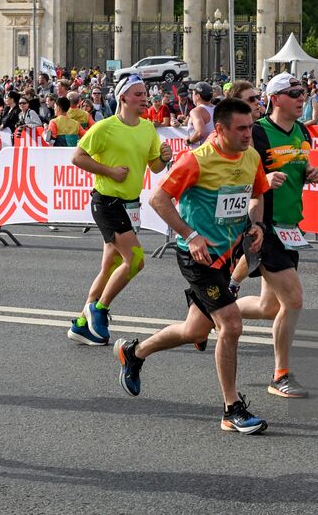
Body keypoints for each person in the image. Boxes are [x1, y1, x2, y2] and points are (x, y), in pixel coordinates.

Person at [114, 97, 271, 435]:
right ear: (221, 129)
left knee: (195, 331)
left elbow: (257, 193)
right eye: (241, 129)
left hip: (226, 256)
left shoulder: (251, 156)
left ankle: (134, 352)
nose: (248, 134)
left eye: (251, 127)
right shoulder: (197, 160)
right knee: (231, 325)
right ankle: (231, 409)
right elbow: (158, 198)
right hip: (197, 256)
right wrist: (191, 234)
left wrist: (255, 225)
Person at [231, 73, 318, 398]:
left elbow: (301, 166)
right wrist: (264, 180)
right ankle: (280, 374)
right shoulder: (257, 132)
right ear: (276, 98)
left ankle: (216, 307)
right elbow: (239, 174)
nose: (302, 97)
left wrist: (311, 174)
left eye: (304, 92)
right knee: (294, 300)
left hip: (290, 225)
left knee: (271, 307)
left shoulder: (301, 130)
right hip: (263, 226)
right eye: (295, 93)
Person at [66, 74, 170, 346]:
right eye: (137, 94)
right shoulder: (105, 127)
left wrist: (164, 159)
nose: (144, 98)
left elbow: (155, 166)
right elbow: (77, 157)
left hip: (130, 205)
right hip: (107, 202)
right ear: (123, 97)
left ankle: (81, 325)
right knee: (135, 260)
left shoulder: (148, 128)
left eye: (145, 93)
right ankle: (99, 309)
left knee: (111, 265)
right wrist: (109, 171)